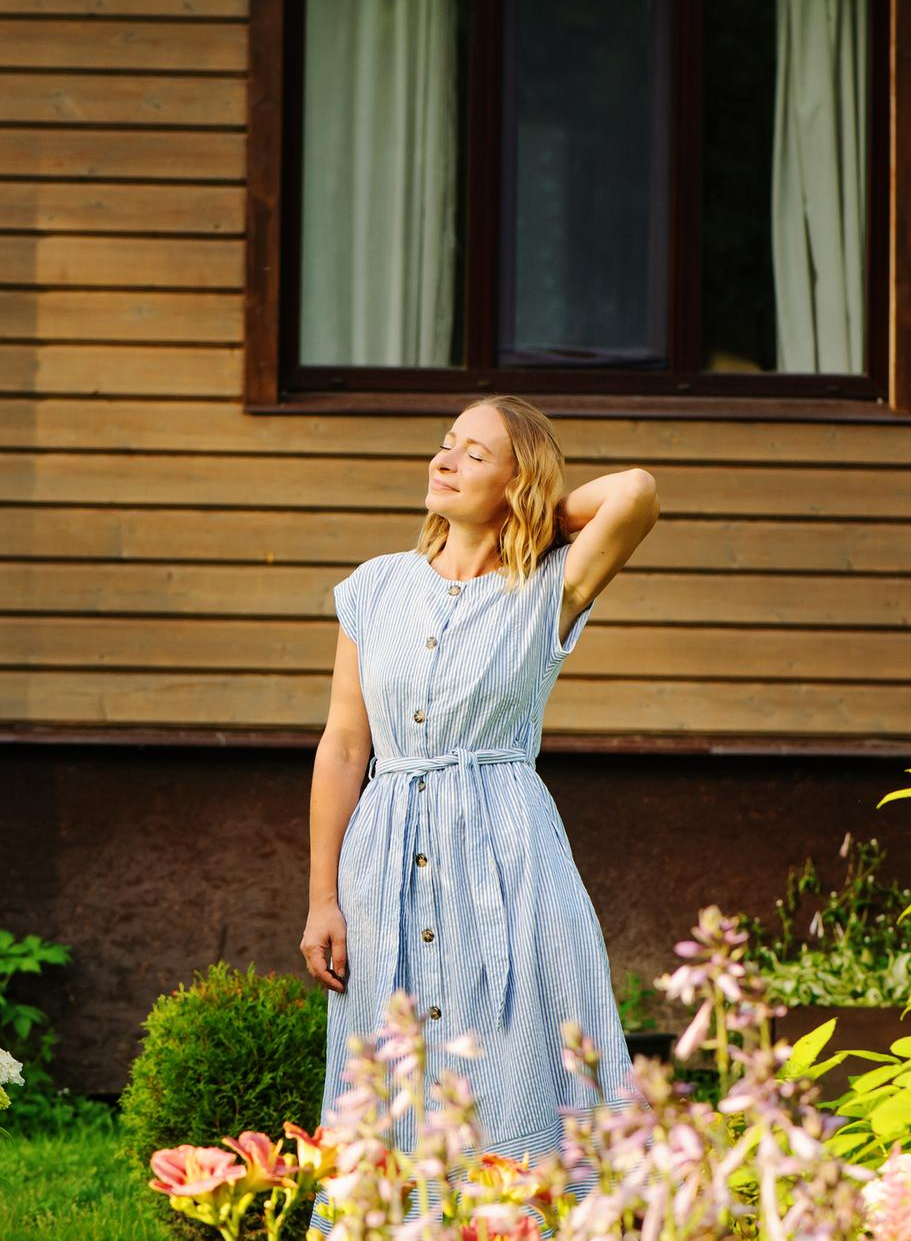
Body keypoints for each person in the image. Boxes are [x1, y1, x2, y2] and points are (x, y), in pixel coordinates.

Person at [299, 393, 660, 1232]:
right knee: (387, 1067)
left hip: (510, 854)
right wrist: (323, 895)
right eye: (444, 445)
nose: (444, 461)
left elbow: (636, 490)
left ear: (516, 479)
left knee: (521, 1051)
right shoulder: (374, 589)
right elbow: (344, 745)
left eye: (473, 454)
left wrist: (529, 511)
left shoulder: (550, 584)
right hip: (384, 857)